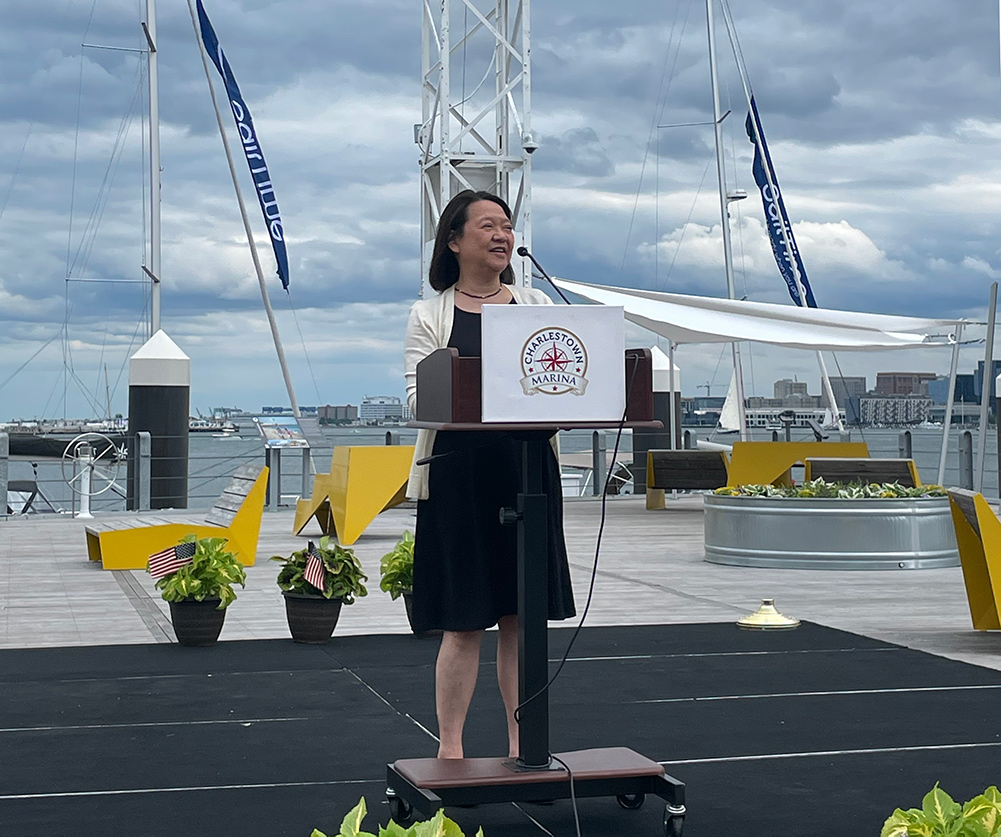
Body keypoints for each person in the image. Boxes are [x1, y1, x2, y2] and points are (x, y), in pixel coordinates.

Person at [403, 190, 576, 760]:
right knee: (463, 621)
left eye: (507, 225)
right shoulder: (429, 314)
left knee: (519, 619)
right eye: (487, 225)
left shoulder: (536, 309)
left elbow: (566, 382)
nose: (502, 234)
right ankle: (450, 750)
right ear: (453, 240)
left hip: (524, 472)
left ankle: (524, 744)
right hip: (460, 478)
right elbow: (416, 401)